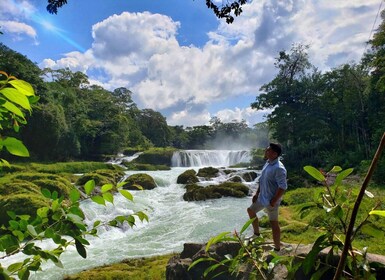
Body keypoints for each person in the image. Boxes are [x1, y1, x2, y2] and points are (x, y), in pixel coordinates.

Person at [247, 142, 287, 251]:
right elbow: (262, 179)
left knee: (273, 223)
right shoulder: (268, 163)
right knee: (251, 210)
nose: (266, 151)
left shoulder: (279, 168)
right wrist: (257, 193)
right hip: (262, 197)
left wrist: (273, 201)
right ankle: (256, 234)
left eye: (268, 150)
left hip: (271, 200)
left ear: (274, 154)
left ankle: (277, 248)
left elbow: (283, 187)